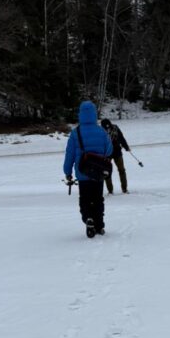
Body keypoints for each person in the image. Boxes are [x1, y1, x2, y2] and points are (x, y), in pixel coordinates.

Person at [63, 101, 113, 237]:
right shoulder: (101, 131)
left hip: (82, 172)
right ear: (94, 114)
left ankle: (88, 218)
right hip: (98, 172)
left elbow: (70, 155)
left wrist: (67, 172)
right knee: (98, 198)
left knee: (85, 198)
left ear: (80, 114)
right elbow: (109, 150)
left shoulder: (75, 133)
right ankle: (99, 225)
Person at [100, 118, 131, 194]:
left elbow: (121, 138)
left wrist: (126, 146)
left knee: (121, 170)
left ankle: (124, 188)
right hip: (107, 154)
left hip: (117, 152)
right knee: (107, 172)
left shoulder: (115, 128)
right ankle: (110, 190)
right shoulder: (100, 131)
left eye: (108, 125)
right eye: (106, 126)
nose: (108, 127)